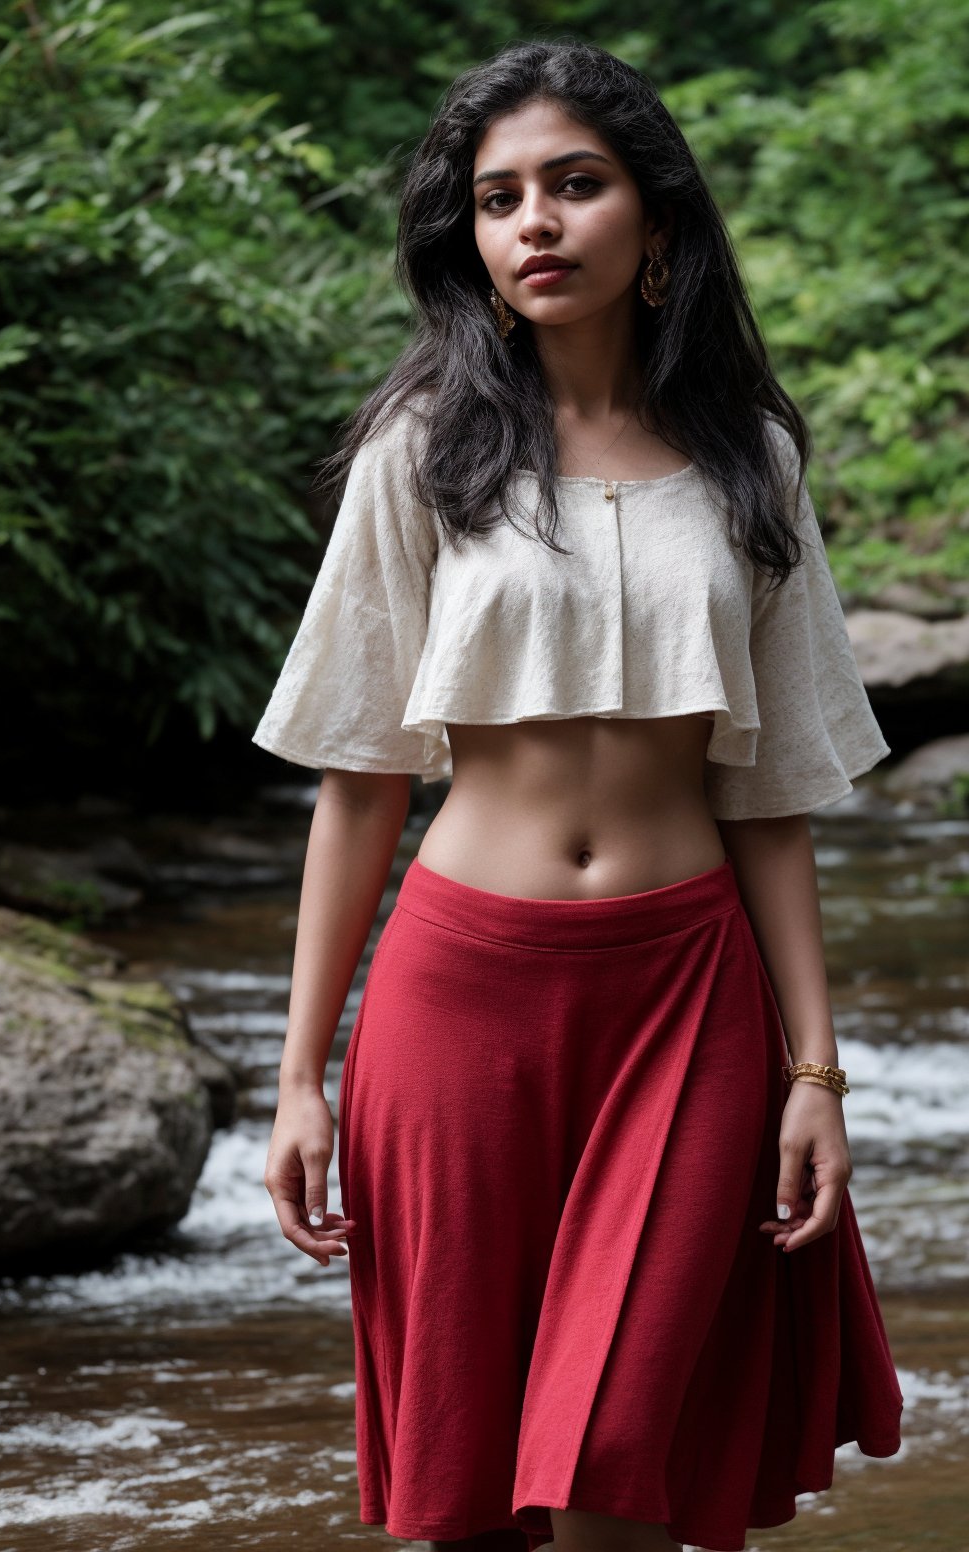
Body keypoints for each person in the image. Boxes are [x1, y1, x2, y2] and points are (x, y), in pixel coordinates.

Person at [256, 38, 903, 1552]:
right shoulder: (421, 456)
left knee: (619, 1456)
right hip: (458, 997)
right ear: (469, 242)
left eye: (575, 184)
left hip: (687, 995)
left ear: (656, 223)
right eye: (498, 199)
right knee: (472, 1487)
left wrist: (817, 1075)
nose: (534, 222)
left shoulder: (752, 464)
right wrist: (300, 1077)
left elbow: (773, 792)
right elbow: (359, 786)